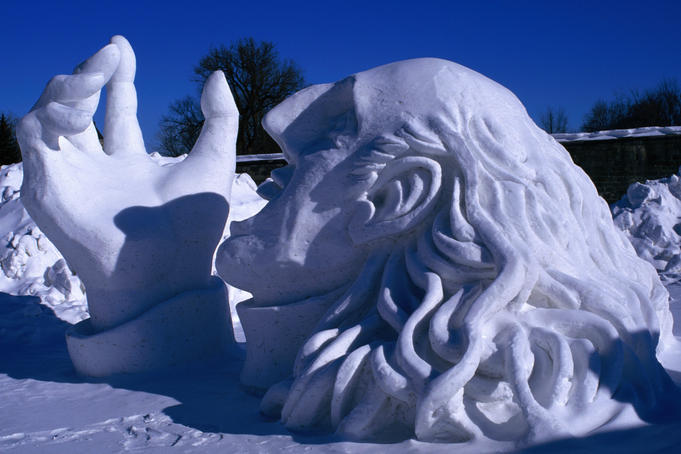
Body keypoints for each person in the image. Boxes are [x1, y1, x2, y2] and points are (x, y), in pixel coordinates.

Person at [18, 36, 681, 445]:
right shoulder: (309, 390)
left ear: (397, 198)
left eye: (322, 135)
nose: (278, 125)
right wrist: (143, 293)